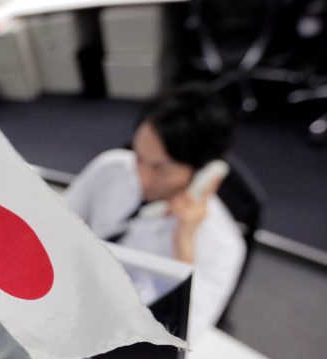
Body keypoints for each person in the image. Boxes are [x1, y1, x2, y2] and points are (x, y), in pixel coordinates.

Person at [63, 86, 246, 338]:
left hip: (128, 335)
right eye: (139, 157)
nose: (143, 177)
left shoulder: (223, 244)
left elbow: (184, 335)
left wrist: (184, 245)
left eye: (160, 169)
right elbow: (57, 227)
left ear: (204, 173)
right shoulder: (112, 167)